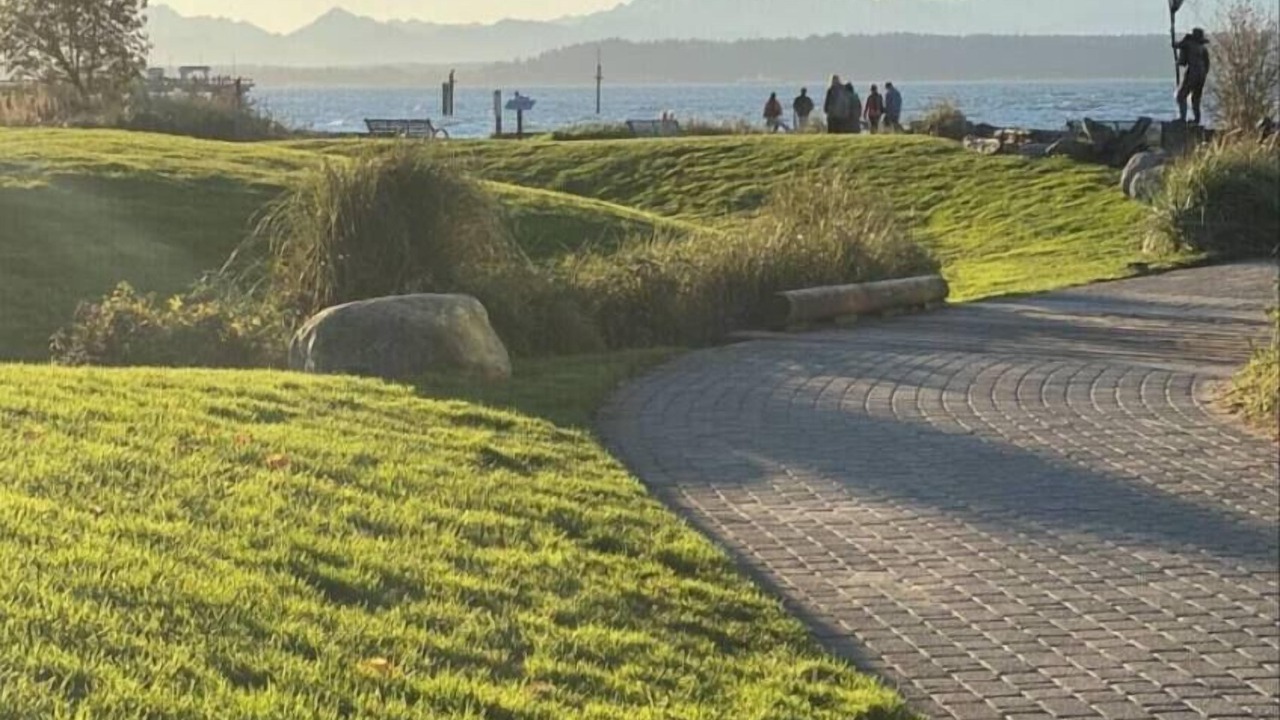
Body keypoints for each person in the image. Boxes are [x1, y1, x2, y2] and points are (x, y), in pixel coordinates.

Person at [1175, 27, 1211, 125]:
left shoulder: (1188, 44)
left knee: (1181, 96)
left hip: (1193, 74)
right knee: (1196, 99)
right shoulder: (1203, 48)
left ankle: (1182, 119)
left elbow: (1176, 45)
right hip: (1202, 75)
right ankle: (1196, 120)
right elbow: (1207, 64)